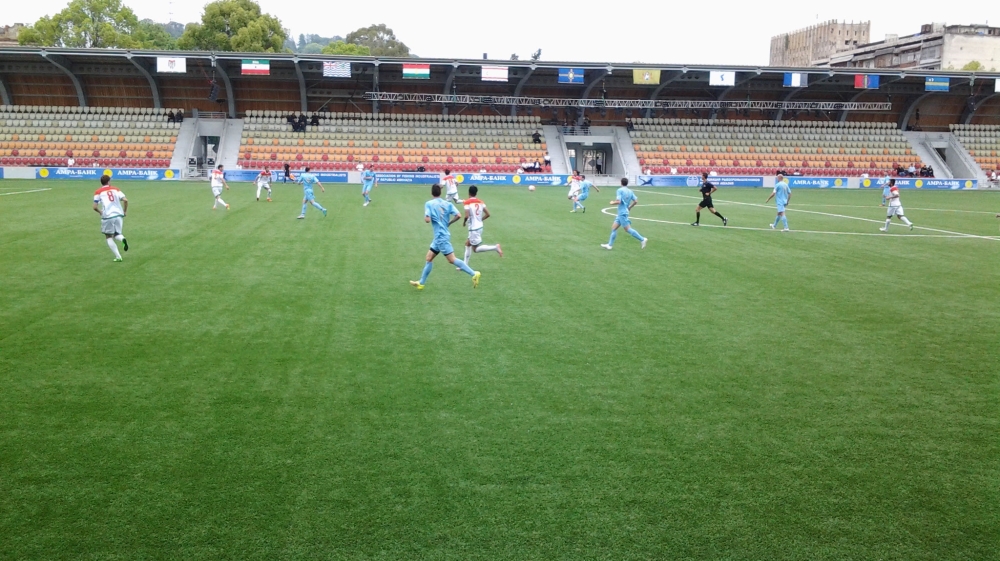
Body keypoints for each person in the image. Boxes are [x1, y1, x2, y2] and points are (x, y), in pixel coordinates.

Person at [410, 184, 480, 290]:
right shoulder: (447, 204)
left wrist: (429, 217)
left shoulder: (429, 204)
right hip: (440, 236)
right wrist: (449, 222)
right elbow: (458, 215)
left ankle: (473, 273)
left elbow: (427, 220)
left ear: (431, 193)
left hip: (440, 237)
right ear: (440, 192)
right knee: (429, 258)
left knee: (452, 259)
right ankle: (421, 283)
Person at [601, 178, 647, 250]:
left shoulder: (620, 190)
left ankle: (642, 239)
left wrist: (612, 202)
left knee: (627, 229)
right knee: (614, 228)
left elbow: (618, 201)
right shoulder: (630, 191)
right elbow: (636, 201)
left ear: (621, 183)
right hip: (623, 212)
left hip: (622, 213)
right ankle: (610, 245)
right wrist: (630, 207)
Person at [462, 185, 503, 266]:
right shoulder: (480, 202)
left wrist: (464, 222)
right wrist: (480, 220)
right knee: (467, 244)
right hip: (480, 226)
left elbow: (466, 216)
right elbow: (488, 214)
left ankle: (495, 247)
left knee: (475, 249)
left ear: (469, 193)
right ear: (476, 193)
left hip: (473, 229)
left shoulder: (467, 202)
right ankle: (464, 265)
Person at [93, 174, 129, 262]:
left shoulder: (98, 192)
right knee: (117, 234)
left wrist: (100, 212)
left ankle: (118, 257)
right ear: (109, 181)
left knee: (108, 236)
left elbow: (94, 207)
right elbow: (125, 200)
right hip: (119, 214)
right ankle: (122, 239)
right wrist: (124, 211)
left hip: (108, 215)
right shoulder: (116, 189)